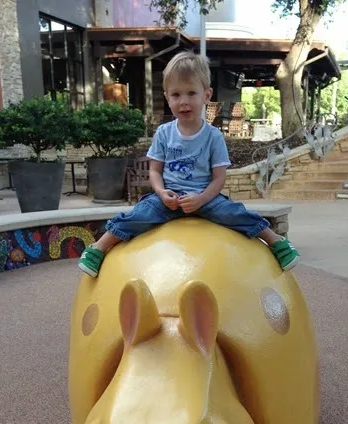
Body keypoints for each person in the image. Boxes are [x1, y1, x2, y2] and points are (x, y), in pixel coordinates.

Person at [78, 51, 300, 278]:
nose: (183, 101)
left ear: (206, 95)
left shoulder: (213, 136)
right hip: (168, 199)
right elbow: (155, 171)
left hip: (205, 198)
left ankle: (276, 241)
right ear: (167, 98)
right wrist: (162, 193)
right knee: (139, 214)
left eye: (191, 93)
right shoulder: (164, 133)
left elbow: (219, 178)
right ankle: (98, 248)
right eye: (176, 94)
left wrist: (202, 199)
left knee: (235, 214)